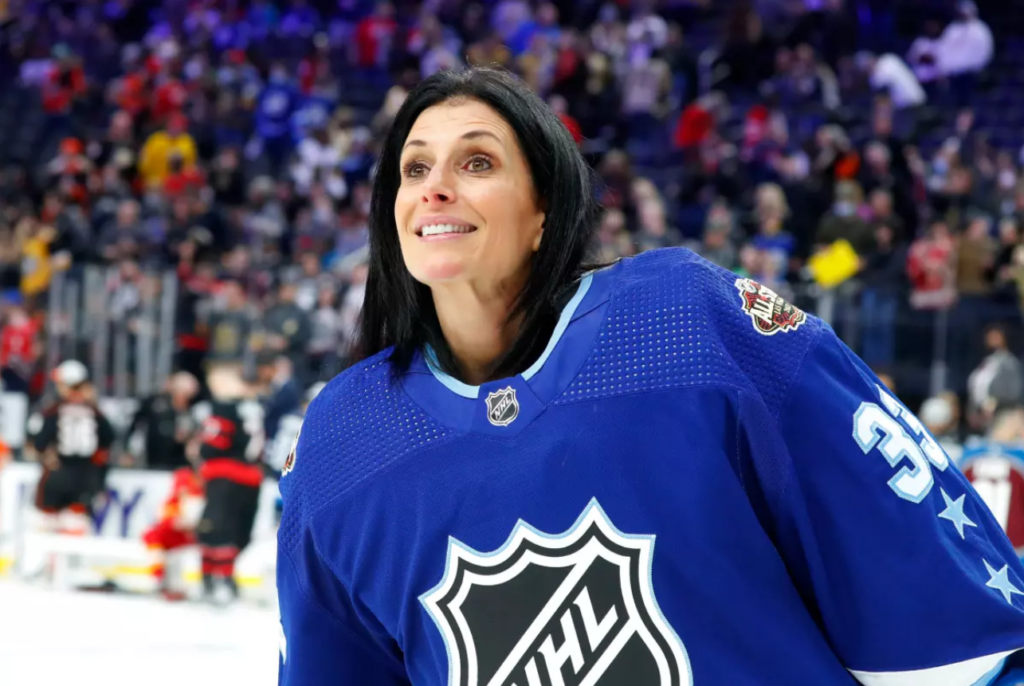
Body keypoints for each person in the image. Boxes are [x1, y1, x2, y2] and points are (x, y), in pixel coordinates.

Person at [277, 67, 1024, 684]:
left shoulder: (683, 321)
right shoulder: (343, 437)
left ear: (544, 210)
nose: (436, 187)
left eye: (477, 162)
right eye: (414, 168)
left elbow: (956, 620)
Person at [190, 361, 265, 606]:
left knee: (213, 527)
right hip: (251, 477)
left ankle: (214, 579)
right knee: (237, 530)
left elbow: (214, 444)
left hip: (224, 476)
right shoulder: (255, 405)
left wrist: (199, 448)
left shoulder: (222, 407)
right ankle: (227, 579)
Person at [27, 360, 115, 535]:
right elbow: (109, 439)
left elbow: (39, 443)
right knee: (76, 534)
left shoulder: (54, 410)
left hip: (57, 476)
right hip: (86, 479)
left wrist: (44, 455)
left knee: (44, 530)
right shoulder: (95, 412)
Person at [142, 465, 204, 601]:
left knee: (163, 543)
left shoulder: (197, 498)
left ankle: (170, 584)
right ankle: (160, 579)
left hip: (187, 538)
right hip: (169, 536)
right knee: (153, 539)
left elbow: (192, 523)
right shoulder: (172, 501)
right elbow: (165, 519)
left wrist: (185, 524)